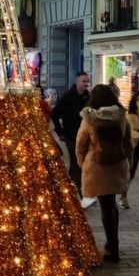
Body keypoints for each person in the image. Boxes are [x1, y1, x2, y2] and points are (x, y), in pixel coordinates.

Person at [76, 84, 131, 262]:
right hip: (117, 165)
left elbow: (80, 145)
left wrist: (82, 163)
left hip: (97, 168)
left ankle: (111, 247)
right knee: (110, 205)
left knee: (106, 207)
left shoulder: (89, 118)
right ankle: (113, 244)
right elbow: (127, 141)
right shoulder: (121, 117)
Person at [51, 72, 92, 205]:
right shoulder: (68, 96)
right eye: (83, 81)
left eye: (87, 81)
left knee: (82, 164)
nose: (85, 84)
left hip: (85, 135)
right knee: (76, 163)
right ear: (77, 82)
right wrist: (59, 131)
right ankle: (79, 194)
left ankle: (68, 190)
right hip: (71, 135)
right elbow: (54, 114)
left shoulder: (88, 97)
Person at [119, 90, 139, 209]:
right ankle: (123, 196)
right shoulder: (130, 116)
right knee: (130, 173)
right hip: (134, 147)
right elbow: (131, 132)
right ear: (134, 102)